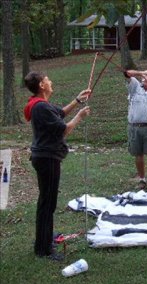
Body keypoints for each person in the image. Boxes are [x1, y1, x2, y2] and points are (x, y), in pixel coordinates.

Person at [23, 71, 91, 261]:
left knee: (47, 202)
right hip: (47, 158)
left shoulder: (41, 106)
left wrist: (77, 100)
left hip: (44, 157)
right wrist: (80, 115)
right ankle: (43, 249)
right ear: (42, 86)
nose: (50, 82)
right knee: (47, 203)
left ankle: (44, 240)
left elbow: (59, 114)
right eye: (47, 80)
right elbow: (64, 130)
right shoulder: (41, 108)